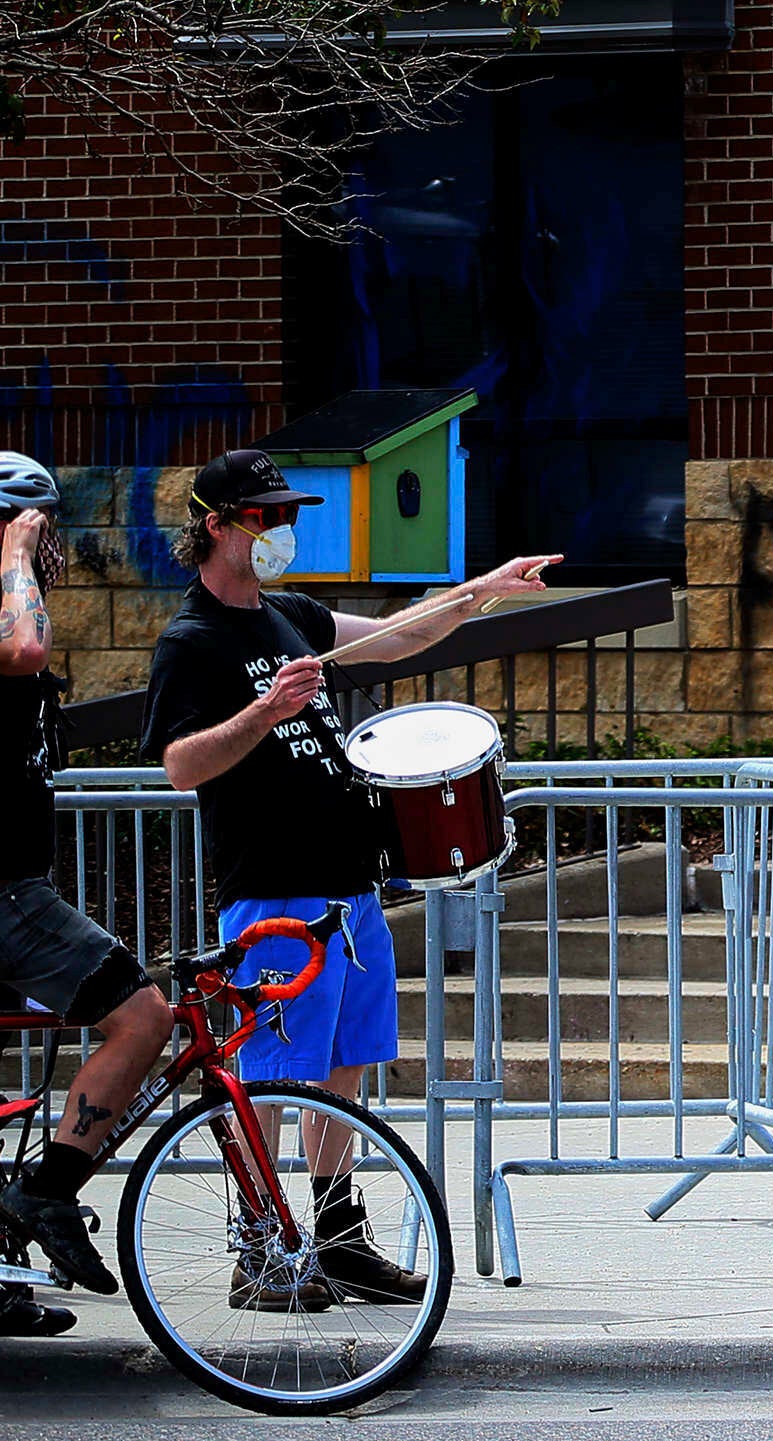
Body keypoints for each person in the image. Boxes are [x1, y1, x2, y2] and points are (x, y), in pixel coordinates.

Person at [142, 447, 560, 1307]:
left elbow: (405, 635)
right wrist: (265, 710)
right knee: (269, 1073)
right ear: (215, 525)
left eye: (287, 514)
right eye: (263, 517)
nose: (281, 530)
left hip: (348, 888)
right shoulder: (193, 641)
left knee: (344, 1067)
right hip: (274, 890)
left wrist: (487, 585)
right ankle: (259, 1246)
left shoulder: (287, 612)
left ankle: (335, 1235)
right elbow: (181, 766)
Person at [0, 455, 174, 1331]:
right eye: (40, 531)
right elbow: (25, 647)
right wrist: (11, 554)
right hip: (1, 892)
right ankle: (48, 1194)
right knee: (145, 1016)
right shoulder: (6, 608)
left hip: (15, 885)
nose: (50, 551)